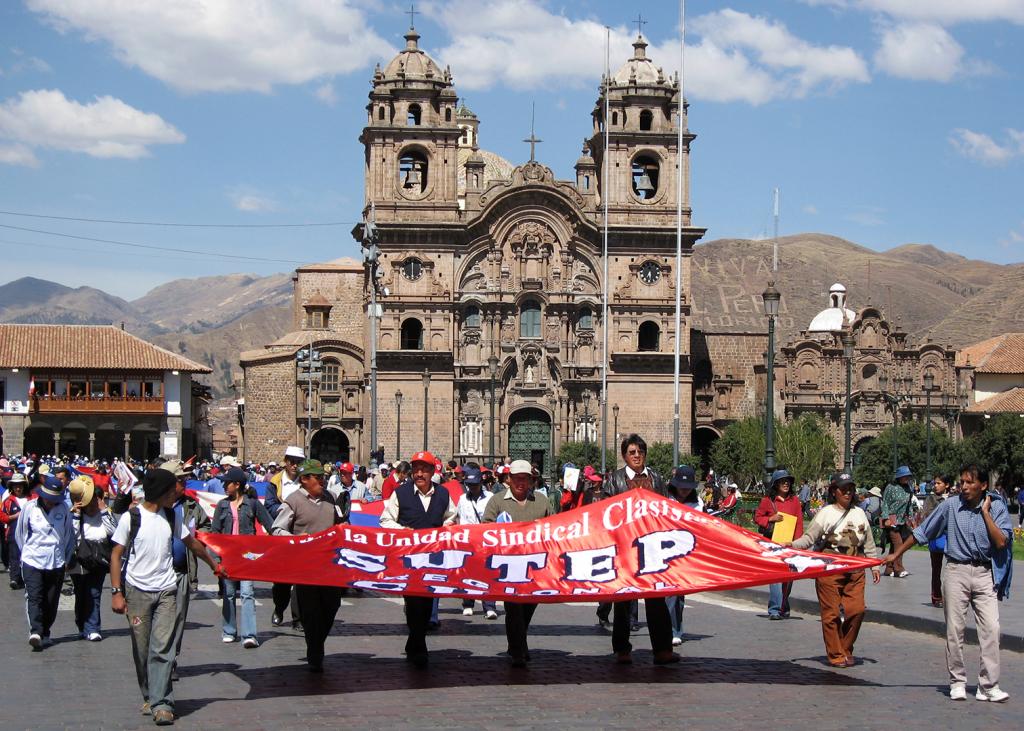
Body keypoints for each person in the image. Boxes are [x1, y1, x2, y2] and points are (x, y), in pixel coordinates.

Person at [886, 464, 1012, 703]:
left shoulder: (996, 507)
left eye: (969, 482)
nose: (963, 487)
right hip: (956, 570)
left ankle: (988, 685)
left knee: (992, 629)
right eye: (961, 482)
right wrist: (896, 555)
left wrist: (985, 513)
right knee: (955, 630)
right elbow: (923, 532)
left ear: (983, 485)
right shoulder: (950, 506)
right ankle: (957, 681)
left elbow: (1001, 542)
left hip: (985, 573)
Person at [109, 468, 224, 726]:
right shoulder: (132, 518)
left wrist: (213, 564)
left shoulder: (172, 516)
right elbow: (116, 555)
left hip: (166, 591)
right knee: (142, 650)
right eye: (173, 490)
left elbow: (192, 543)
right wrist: (117, 592)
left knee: (163, 648)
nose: (177, 493)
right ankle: (150, 695)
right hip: (137, 591)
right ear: (162, 492)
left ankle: (163, 703)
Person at [601, 434, 679, 665]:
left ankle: (663, 649)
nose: (636, 456)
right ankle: (622, 649)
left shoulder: (656, 478)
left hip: (652, 546)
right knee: (623, 600)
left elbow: (665, 507)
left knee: (656, 598)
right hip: (624, 548)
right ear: (624, 455)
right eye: (632, 452)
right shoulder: (614, 480)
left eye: (640, 452)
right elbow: (605, 511)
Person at [789, 472, 880, 667]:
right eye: (843, 489)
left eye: (851, 489)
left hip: (855, 568)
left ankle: (845, 647)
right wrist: (791, 545)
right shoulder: (826, 513)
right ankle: (836, 654)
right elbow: (809, 538)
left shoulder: (860, 513)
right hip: (830, 569)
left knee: (857, 610)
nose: (848, 492)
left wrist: (874, 565)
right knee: (830, 615)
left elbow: (868, 541)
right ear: (834, 491)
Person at [379, 450, 456, 668]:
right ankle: (419, 644)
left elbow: (451, 517)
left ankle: (414, 641)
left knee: (428, 600)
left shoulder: (442, 495)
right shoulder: (401, 494)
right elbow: (385, 520)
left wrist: (446, 529)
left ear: (433, 472)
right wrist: (404, 531)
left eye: (424, 469)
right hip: (409, 559)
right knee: (414, 602)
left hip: (433, 558)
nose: (419, 473)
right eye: (416, 469)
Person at [270, 459, 347, 672]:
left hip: (329, 565)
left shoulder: (330, 498)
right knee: (311, 611)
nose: (322, 481)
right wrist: (296, 538)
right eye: (318, 477)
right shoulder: (293, 501)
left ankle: (317, 642)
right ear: (305, 479)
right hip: (305, 567)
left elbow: (338, 523)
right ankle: (315, 650)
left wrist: (343, 528)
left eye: (323, 477)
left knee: (332, 606)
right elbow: (277, 529)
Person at [482, 459, 552, 667]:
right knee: (513, 609)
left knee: (527, 608)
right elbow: (486, 528)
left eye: (526, 478)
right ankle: (519, 651)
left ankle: (517, 644)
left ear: (531, 480)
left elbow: (554, 527)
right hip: (508, 566)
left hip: (534, 566)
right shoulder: (497, 501)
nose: (521, 482)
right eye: (517, 478)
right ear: (509, 479)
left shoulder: (541, 501)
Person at [211, 466, 274, 648]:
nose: (224, 485)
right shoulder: (222, 505)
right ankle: (229, 630)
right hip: (228, 556)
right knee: (229, 594)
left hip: (247, 556)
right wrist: (217, 557)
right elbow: (215, 531)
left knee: (247, 593)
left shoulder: (252, 504)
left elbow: (270, 525)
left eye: (227, 483)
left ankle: (249, 634)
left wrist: (280, 543)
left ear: (237, 485)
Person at [15, 474, 76, 650]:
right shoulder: (30, 508)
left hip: (56, 560)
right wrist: (25, 553)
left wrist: (66, 557)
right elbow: (21, 533)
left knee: (51, 600)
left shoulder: (63, 509)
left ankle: (45, 631)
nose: (51, 502)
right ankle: (35, 631)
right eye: (49, 499)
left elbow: (68, 535)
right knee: (34, 596)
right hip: (32, 559)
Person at [69, 475, 115, 641]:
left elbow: (113, 532)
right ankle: (82, 625)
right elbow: (72, 536)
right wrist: (76, 514)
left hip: (99, 558)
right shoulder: (77, 515)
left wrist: (104, 510)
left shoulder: (104, 515)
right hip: (80, 560)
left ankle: (93, 628)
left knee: (94, 593)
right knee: (81, 594)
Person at [754, 469, 804, 620]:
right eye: (783, 481)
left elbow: (799, 523)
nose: (786, 484)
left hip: (789, 545)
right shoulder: (767, 501)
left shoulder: (794, 501)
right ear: (776, 484)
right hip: (773, 544)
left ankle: (784, 605)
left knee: (788, 578)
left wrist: (798, 544)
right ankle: (775, 609)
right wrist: (770, 519)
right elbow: (758, 517)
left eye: (788, 481)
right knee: (776, 577)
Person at [665, 465, 703, 647]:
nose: (684, 491)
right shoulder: (665, 499)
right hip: (665, 551)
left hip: (686, 552)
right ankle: (670, 630)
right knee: (670, 593)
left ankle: (675, 628)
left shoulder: (698, 504)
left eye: (688, 488)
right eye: (681, 486)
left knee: (679, 594)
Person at [268, 446, 304, 629]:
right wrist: (288, 510)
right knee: (281, 580)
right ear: (286, 462)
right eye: (292, 462)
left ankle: (298, 618)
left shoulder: (305, 481)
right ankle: (279, 608)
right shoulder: (275, 482)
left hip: (301, 534)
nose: (295, 466)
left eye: (299, 462)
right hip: (282, 535)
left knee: (300, 579)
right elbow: (269, 505)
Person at [456, 464, 498, 619]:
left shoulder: (490, 498)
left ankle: (489, 606)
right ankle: (468, 603)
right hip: (468, 541)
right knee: (468, 572)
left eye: (475, 485)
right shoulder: (462, 499)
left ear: (481, 482)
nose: (472, 488)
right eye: (470, 485)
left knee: (488, 574)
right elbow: (459, 518)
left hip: (486, 542)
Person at [921, 475, 952, 608]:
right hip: (936, 537)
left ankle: (952, 597)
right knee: (936, 569)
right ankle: (936, 596)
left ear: (947, 485)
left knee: (952, 569)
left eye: (939, 483)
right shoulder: (931, 499)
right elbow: (927, 516)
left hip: (952, 538)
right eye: (935, 483)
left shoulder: (954, 499)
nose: (935, 485)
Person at [882, 465, 916, 578]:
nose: (906, 478)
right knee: (899, 544)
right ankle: (898, 569)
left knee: (894, 545)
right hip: (891, 519)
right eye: (904, 476)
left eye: (908, 476)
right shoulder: (890, 487)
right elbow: (885, 503)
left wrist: (911, 519)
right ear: (899, 477)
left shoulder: (908, 488)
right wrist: (886, 518)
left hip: (902, 520)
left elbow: (909, 505)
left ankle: (888, 569)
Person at [2, 472, 28, 589]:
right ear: (12, 487)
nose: (18, 488)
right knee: (14, 556)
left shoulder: (32, 498)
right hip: (13, 532)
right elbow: (3, 517)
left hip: (29, 534)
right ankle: (14, 578)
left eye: (20, 485)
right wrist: (15, 516)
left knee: (26, 557)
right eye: (15, 485)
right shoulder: (8, 501)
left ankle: (26, 578)